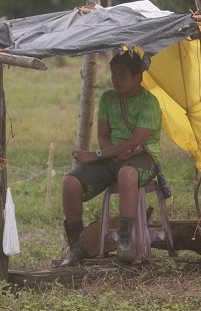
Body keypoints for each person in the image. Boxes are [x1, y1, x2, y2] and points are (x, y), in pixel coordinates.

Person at [60, 48, 163, 266]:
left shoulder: (150, 103)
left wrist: (97, 155)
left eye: (123, 75)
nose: (116, 80)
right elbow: (103, 135)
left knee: (127, 174)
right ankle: (76, 247)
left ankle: (124, 244)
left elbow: (136, 142)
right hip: (112, 157)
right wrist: (109, 155)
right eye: (114, 74)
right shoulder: (108, 98)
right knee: (70, 183)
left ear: (138, 77)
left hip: (142, 157)